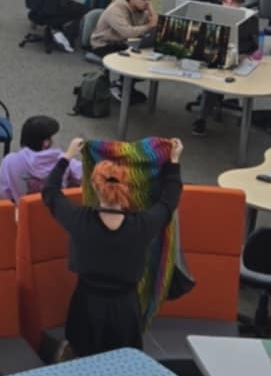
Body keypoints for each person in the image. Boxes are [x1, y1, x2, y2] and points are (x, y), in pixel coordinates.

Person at [42, 137, 183, 359]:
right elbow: (169, 201)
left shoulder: (79, 219)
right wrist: (173, 162)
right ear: (126, 188)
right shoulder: (142, 225)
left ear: (94, 187)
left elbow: (50, 192)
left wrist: (67, 157)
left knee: (84, 361)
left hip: (86, 306)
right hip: (125, 309)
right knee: (122, 363)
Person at [192, 0, 254, 135]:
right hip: (215, 55)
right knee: (213, 79)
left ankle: (205, 114)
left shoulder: (248, 18)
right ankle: (202, 118)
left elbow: (253, 43)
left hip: (238, 57)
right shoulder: (215, 14)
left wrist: (243, 55)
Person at [0, 115, 78, 202]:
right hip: (56, 209)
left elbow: (4, 193)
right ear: (46, 142)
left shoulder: (10, 161)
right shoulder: (65, 160)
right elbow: (84, 177)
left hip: (20, 209)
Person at [91, 0, 158, 54]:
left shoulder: (141, 9)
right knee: (137, 57)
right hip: (105, 45)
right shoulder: (115, 10)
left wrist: (152, 12)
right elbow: (128, 33)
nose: (147, 2)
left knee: (151, 52)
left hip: (124, 42)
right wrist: (149, 26)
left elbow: (154, 24)